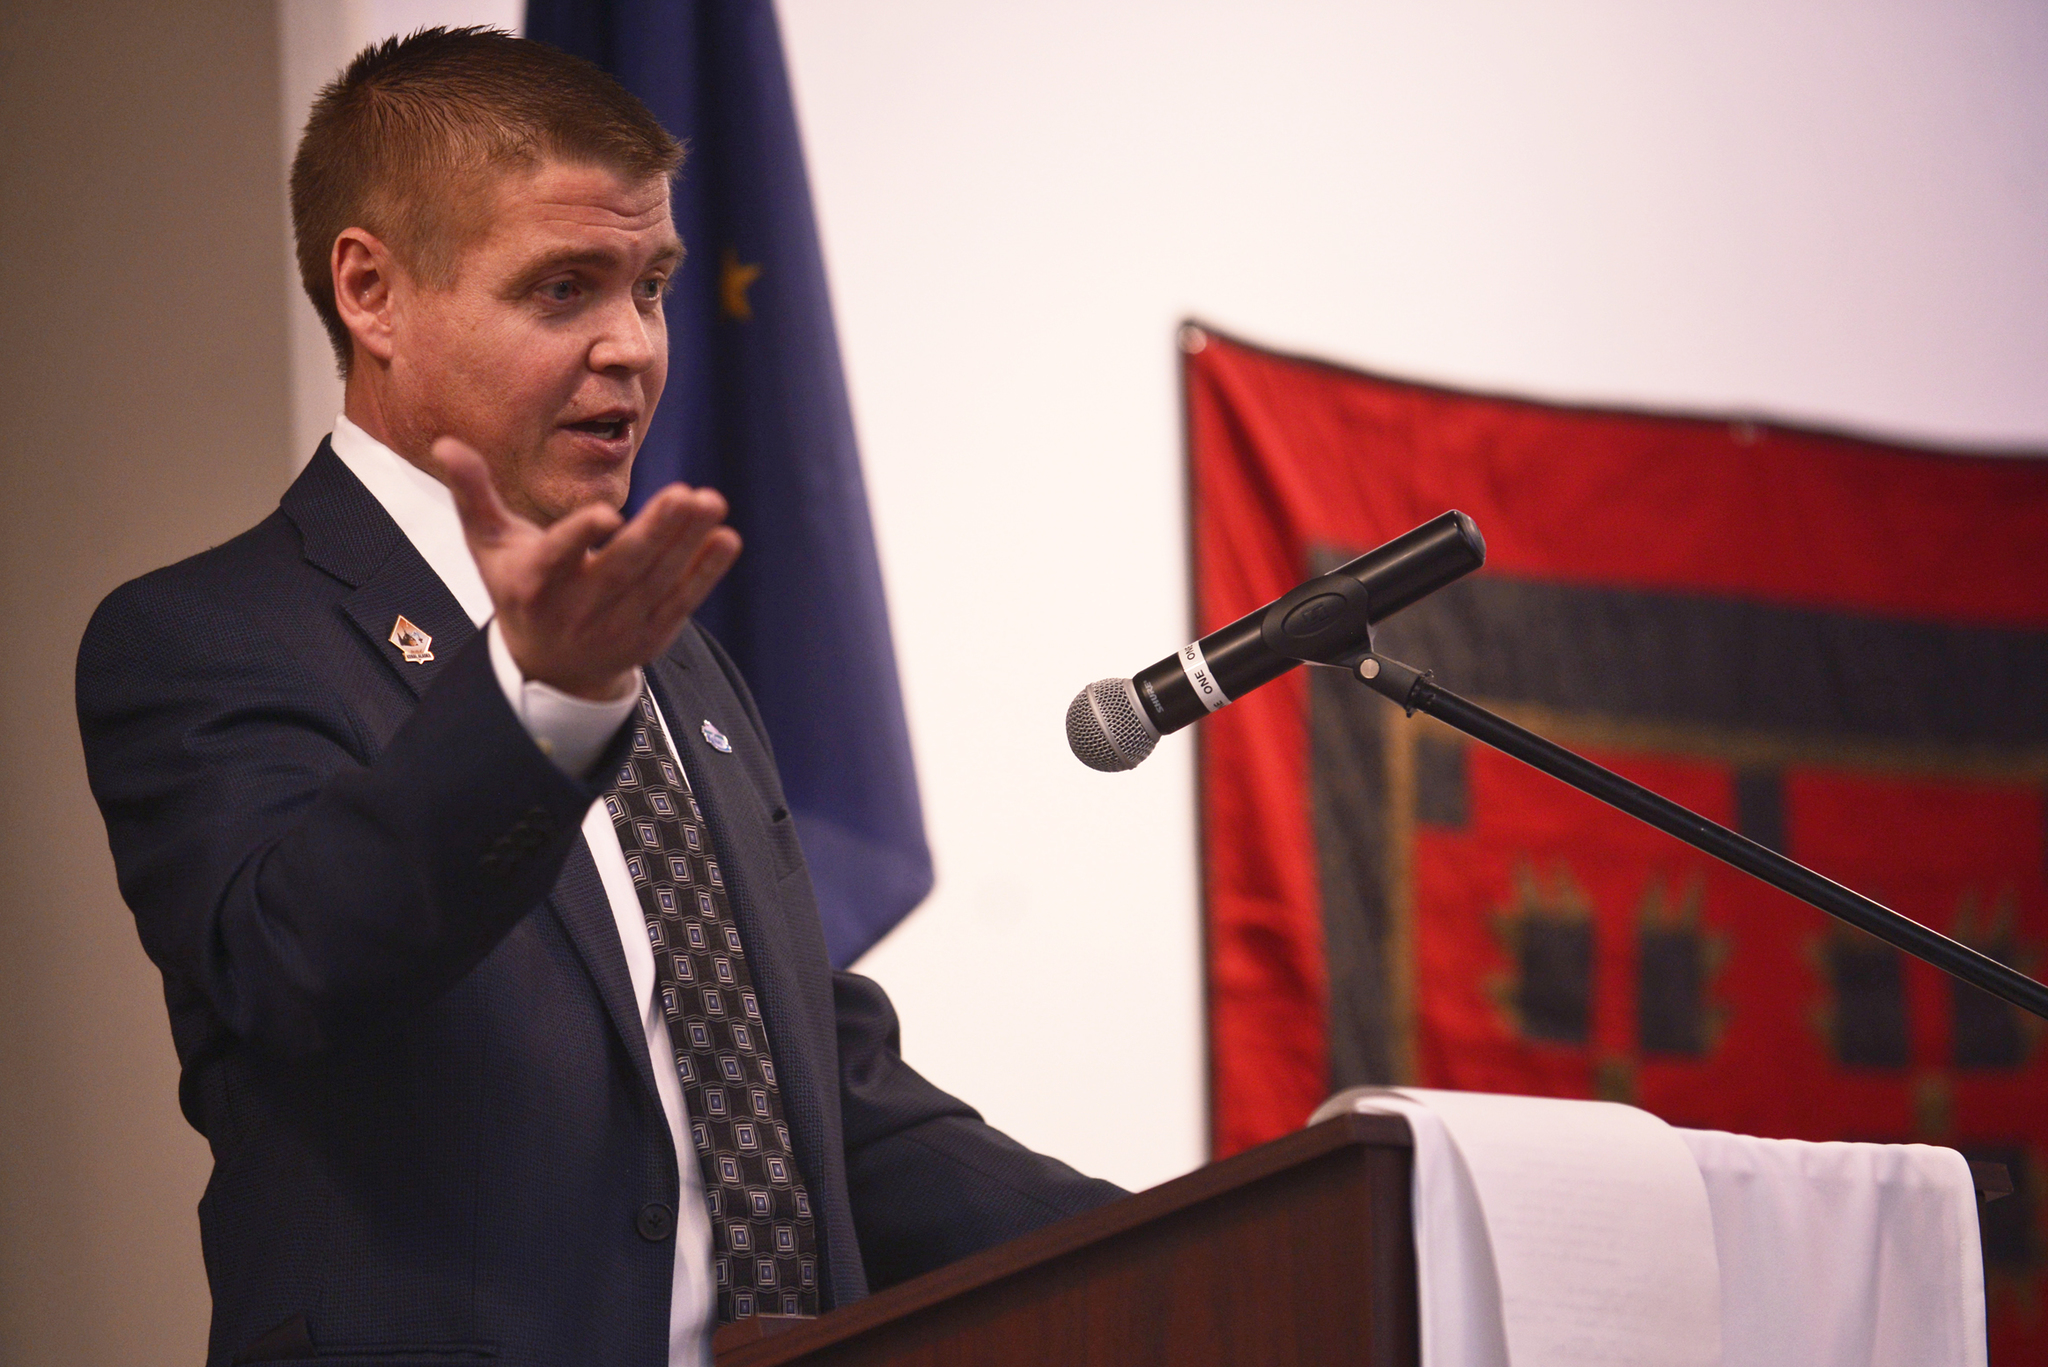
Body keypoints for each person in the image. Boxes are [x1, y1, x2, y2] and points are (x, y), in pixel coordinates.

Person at [76, 28, 1121, 1367]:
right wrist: (538, 713)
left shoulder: (673, 655)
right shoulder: (212, 636)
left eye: (654, 286)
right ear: (372, 291)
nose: (633, 346)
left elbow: (816, 1097)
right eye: (565, 289)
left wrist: (1221, 1234)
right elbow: (302, 964)